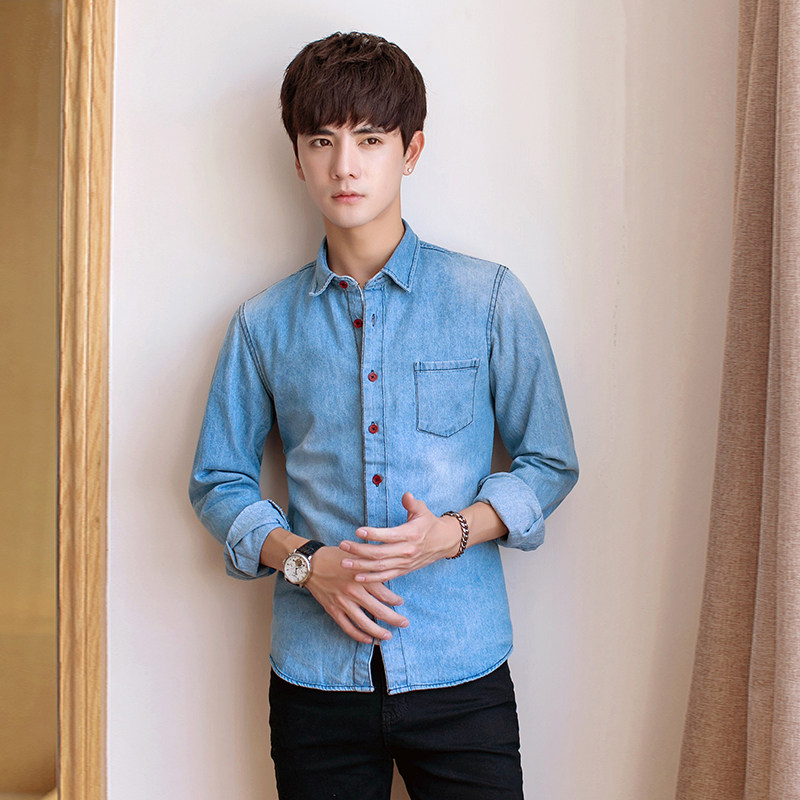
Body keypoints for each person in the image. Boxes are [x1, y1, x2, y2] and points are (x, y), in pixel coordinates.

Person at [190, 30, 578, 800]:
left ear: (412, 150)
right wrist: (306, 563)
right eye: (322, 140)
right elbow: (217, 481)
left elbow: (549, 461)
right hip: (315, 682)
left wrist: (451, 533)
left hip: (461, 671)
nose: (345, 165)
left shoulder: (488, 299)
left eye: (369, 139)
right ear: (297, 157)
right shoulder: (263, 325)